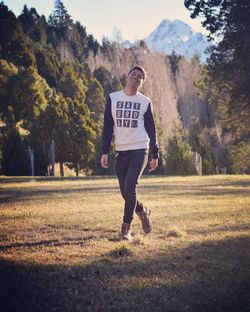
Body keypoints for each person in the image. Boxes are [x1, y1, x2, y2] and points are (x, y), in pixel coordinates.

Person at [100, 65, 159, 241]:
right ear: (127, 77)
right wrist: (104, 151)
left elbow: (152, 130)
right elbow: (107, 127)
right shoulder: (113, 98)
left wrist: (155, 155)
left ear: (141, 82)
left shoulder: (145, 102)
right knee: (125, 192)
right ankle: (142, 210)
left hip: (140, 149)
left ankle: (126, 228)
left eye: (139, 76)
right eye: (133, 74)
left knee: (130, 186)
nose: (135, 77)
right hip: (121, 150)